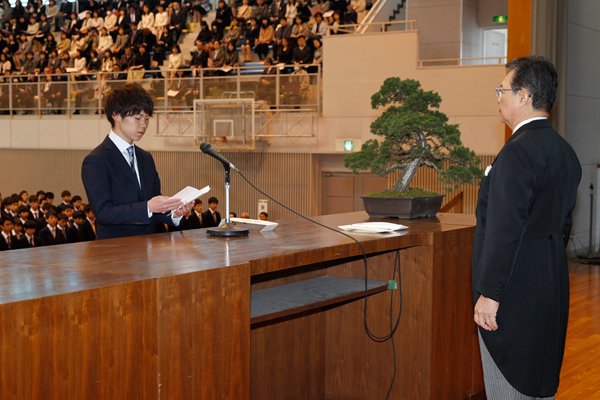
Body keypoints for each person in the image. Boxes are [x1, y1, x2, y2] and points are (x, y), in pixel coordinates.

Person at [471, 56, 581, 400]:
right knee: (541, 382)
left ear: (523, 96)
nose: (498, 97)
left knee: (510, 385)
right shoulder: (565, 152)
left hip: (512, 293)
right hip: (551, 284)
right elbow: (563, 225)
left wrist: (490, 294)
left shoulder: (518, 152)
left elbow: (506, 230)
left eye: (502, 90)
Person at [81, 83, 194, 240]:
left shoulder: (145, 158)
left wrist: (174, 212)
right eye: (138, 118)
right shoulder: (96, 160)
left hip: (147, 250)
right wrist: (148, 207)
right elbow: (103, 213)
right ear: (116, 115)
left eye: (147, 119)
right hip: (115, 252)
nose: (144, 125)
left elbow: (153, 205)